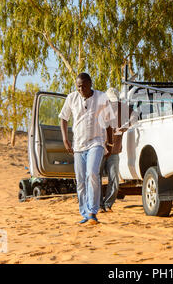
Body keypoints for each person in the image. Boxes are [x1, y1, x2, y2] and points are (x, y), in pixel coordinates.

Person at [59, 73, 114, 225]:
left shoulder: (102, 97)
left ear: (90, 84)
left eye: (83, 86)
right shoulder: (72, 98)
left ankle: (92, 212)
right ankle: (84, 212)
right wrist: (65, 139)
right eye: (78, 86)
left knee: (92, 174)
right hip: (78, 145)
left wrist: (109, 144)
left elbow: (109, 123)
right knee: (81, 180)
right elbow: (63, 118)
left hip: (96, 142)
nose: (81, 89)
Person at [100, 87, 138, 213]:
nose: (113, 103)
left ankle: (108, 204)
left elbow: (135, 115)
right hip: (100, 149)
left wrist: (126, 126)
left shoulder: (123, 108)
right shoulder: (100, 109)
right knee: (96, 177)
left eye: (115, 101)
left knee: (114, 179)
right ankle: (98, 205)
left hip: (114, 150)